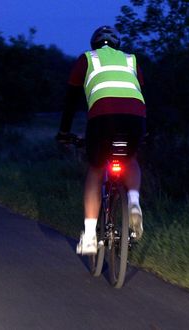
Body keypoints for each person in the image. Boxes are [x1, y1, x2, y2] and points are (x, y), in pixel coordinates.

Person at [56, 26, 146, 255]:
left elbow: (70, 102)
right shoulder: (131, 60)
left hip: (102, 117)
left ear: (94, 44)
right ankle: (134, 201)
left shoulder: (87, 59)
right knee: (131, 158)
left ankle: (88, 236)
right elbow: (138, 94)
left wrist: (64, 133)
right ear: (117, 44)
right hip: (135, 117)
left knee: (96, 169)